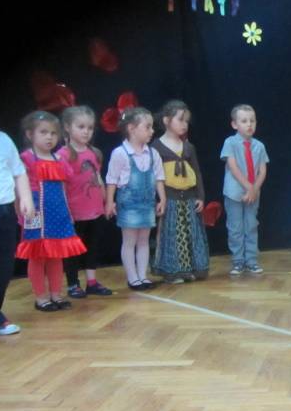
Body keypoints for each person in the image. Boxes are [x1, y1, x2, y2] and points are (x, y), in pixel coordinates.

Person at [16, 111, 87, 311]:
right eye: (44, 132)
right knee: (37, 256)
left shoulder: (59, 159)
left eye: (53, 133)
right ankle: (41, 297)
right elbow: (19, 188)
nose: (49, 137)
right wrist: (21, 212)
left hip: (58, 213)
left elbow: (63, 188)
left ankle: (56, 294)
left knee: (56, 255)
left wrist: (68, 212)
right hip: (36, 214)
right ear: (30, 134)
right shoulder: (26, 158)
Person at [0, 96, 34, 345]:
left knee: (0, 268)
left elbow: (18, 171)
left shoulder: (1, 139)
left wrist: (26, 198)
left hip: (4, 211)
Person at [105, 107, 167, 290]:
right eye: (147, 127)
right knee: (129, 241)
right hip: (129, 205)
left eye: (152, 127)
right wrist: (110, 201)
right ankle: (132, 278)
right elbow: (112, 180)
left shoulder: (153, 153)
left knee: (144, 240)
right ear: (131, 128)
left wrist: (162, 199)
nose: (152, 131)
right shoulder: (120, 153)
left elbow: (159, 177)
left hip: (147, 204)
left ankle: (143, 276)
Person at [57, 106, 113, 298]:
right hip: (75, 212)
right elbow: (61, 186)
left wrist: (107, 202)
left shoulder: (94, 153)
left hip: (95, 210)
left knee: (93, 246)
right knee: (72, 249)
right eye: (81, 127)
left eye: (89, 128)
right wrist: (66, 212)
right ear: (67, 127)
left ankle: (92, 282)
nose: (86, 132)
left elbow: (98, 178)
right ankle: (73, 284)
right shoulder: (63, 155)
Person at [152, 100, 210, 283]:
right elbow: (155, 177)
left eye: (186, 121)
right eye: (180, 120)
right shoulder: (156, 147)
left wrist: (200, 196)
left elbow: (197, 173)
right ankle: (173, 271)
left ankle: (190, 269)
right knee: (172, 235)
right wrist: (159, 199)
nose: (184, 124)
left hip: (189, 197)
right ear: (167, 120)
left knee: (190, 233)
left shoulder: (189, 147)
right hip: (170, 197)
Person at [221, 104, 269, 275]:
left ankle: (251, 261)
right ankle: (238, 261)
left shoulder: (259, 146)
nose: (249, 124)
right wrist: (249, 187)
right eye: (244, 121)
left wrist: (254, 189)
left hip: (253, 194)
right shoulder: (230, 143)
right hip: (234, 193)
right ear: (234, 124)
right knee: (235, 227)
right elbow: (233, 167)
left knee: (251, 226)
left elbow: (262, 170)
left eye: (252, 121)